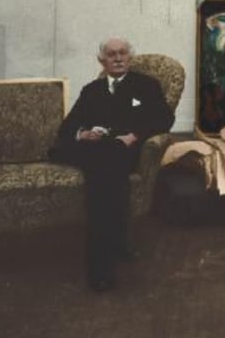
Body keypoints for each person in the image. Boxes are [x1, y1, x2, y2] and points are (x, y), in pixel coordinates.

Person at [49, 37, 174, 292]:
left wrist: (134, 136)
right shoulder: (91, 90)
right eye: (111, 54)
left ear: (130, 57)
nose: (117, 58)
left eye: (122, 53)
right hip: (96, 151)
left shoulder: (146, 86)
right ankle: (117, 242)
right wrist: (83, 134)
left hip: (124, 150)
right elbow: (67, 127)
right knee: (104, 179)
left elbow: (164, 119)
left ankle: (100, 269)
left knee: (101, 184)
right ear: (101, 61)